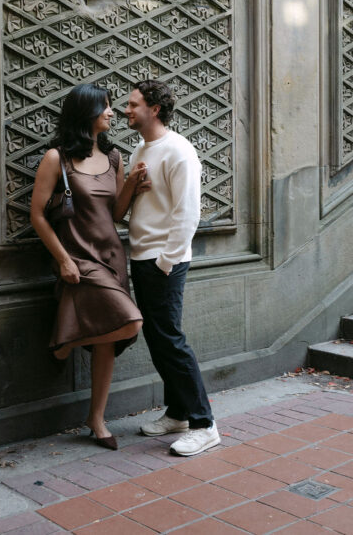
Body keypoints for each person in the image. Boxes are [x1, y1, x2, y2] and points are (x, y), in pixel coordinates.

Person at [30, 83, 145, 450]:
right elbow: (37, 215)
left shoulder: (113, 158)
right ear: (86, 113)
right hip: (77, 255)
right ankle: (62, 344)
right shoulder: (56, 158)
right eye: (106, 107)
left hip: (111, 255)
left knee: (111, 337)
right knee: (130, 320)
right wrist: (63, 259)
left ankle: (96, 418)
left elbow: (114, 214)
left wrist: (130, 185)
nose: (113, 112)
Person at [114, 79, 220, 456]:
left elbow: (188, 212)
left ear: (154, 109)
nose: (126, 110)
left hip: (163, 262)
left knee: (171, 340)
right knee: (158, 339)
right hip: (142, 257)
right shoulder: (141, 148)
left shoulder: (179, 151)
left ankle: (204, 424)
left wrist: (166, 260)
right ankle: (178, 413)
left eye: (133, 104)